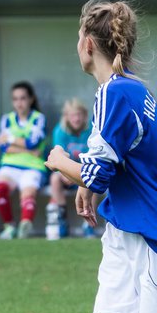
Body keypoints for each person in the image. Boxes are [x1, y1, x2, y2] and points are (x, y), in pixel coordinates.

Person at [45, 0, 157, 313]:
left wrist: (60, 162)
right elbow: (107, 170)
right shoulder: (117, 93)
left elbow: (96, 168)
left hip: (151, 241)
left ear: (87, 43)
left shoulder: (119, 93)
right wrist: (91, 186)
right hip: (121, 238)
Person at [0, 81, 48, 239]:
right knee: (0, 187)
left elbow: (34, 142)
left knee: (28, 194)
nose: (19, 103)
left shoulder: (38, 118)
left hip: (33, 166)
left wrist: (11, 139)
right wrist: (29, 150)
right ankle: (9, 226)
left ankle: (25, 227)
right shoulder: (7, 119)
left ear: (31, 99)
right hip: (10, 164)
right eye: (15, 99)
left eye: (23, 98)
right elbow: (4, 147)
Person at [47, 97, 92, 240]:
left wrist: (78, 174)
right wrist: (65, 174)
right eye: (73, 115)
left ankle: (88, 224)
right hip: (66, 176)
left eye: (79, 114)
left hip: (84, 174)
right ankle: (62, 220)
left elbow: (95, 158)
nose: (76, 118)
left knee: (94, 181)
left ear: (85, 115)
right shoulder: (60, 131)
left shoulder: (91, 130)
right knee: (54, 179)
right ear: (66, 117)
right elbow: (58, 157)